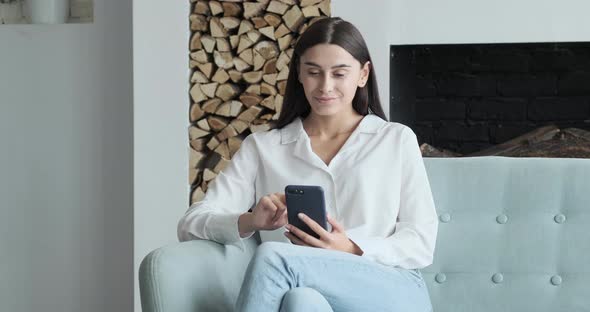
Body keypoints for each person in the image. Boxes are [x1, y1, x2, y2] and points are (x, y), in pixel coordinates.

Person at [177, 17, 438, 312]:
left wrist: (351, 247)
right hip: (304, 287)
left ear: (363, 74)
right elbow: (191, 224)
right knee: (299, 300)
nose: (325, 86)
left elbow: (421, 241)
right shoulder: (264, 147)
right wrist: (252, 220)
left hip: (391, 288)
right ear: (299, 74)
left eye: (340, 74)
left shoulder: (396, 140)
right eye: (313, 72)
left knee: (274, 256)